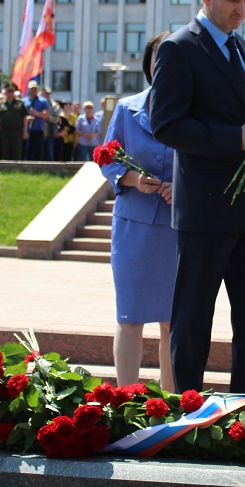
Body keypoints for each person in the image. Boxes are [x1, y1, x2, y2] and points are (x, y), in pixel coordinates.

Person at [149, 0, 245, 393]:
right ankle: (185, 410)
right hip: (205, 211)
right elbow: (166, 125)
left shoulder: (238, 45)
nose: (241, 9)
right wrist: (234, 138)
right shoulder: (178, 48)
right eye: (233, 0)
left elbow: (237, 120)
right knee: (194, 319)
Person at [102, 32, 176, 389]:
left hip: (180, 229)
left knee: (173, 323)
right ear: (148, 64)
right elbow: (106, 159)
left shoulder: (194, 113)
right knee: (130, 316)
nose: (164, 66)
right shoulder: (126, 109)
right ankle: (124, 399)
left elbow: (211, 163)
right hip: (134, 226)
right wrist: (132, 178)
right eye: (157, 58)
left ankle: (175, 406)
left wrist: (185, 189)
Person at [0, 84, 26, 160]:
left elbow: (25, 117)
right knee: (5, 150)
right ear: (5, 92)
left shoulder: (19, 104)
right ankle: (6, 168)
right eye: (8, 91)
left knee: (16, 150)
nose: (10, 93)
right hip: (4, 131)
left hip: (16, 131)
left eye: (12, 91)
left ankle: (17, 168)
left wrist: (25, 131)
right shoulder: (1, 104)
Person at [24, 81, 50, 161]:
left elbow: (46, 114)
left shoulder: (43, 101)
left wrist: (37, 114)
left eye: (35, 89)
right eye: (32, 89)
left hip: (38, 128)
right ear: (28, 90)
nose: (33, 91)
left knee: (38, 149)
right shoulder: (24, 101)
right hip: (27, 129)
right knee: (28, 149)